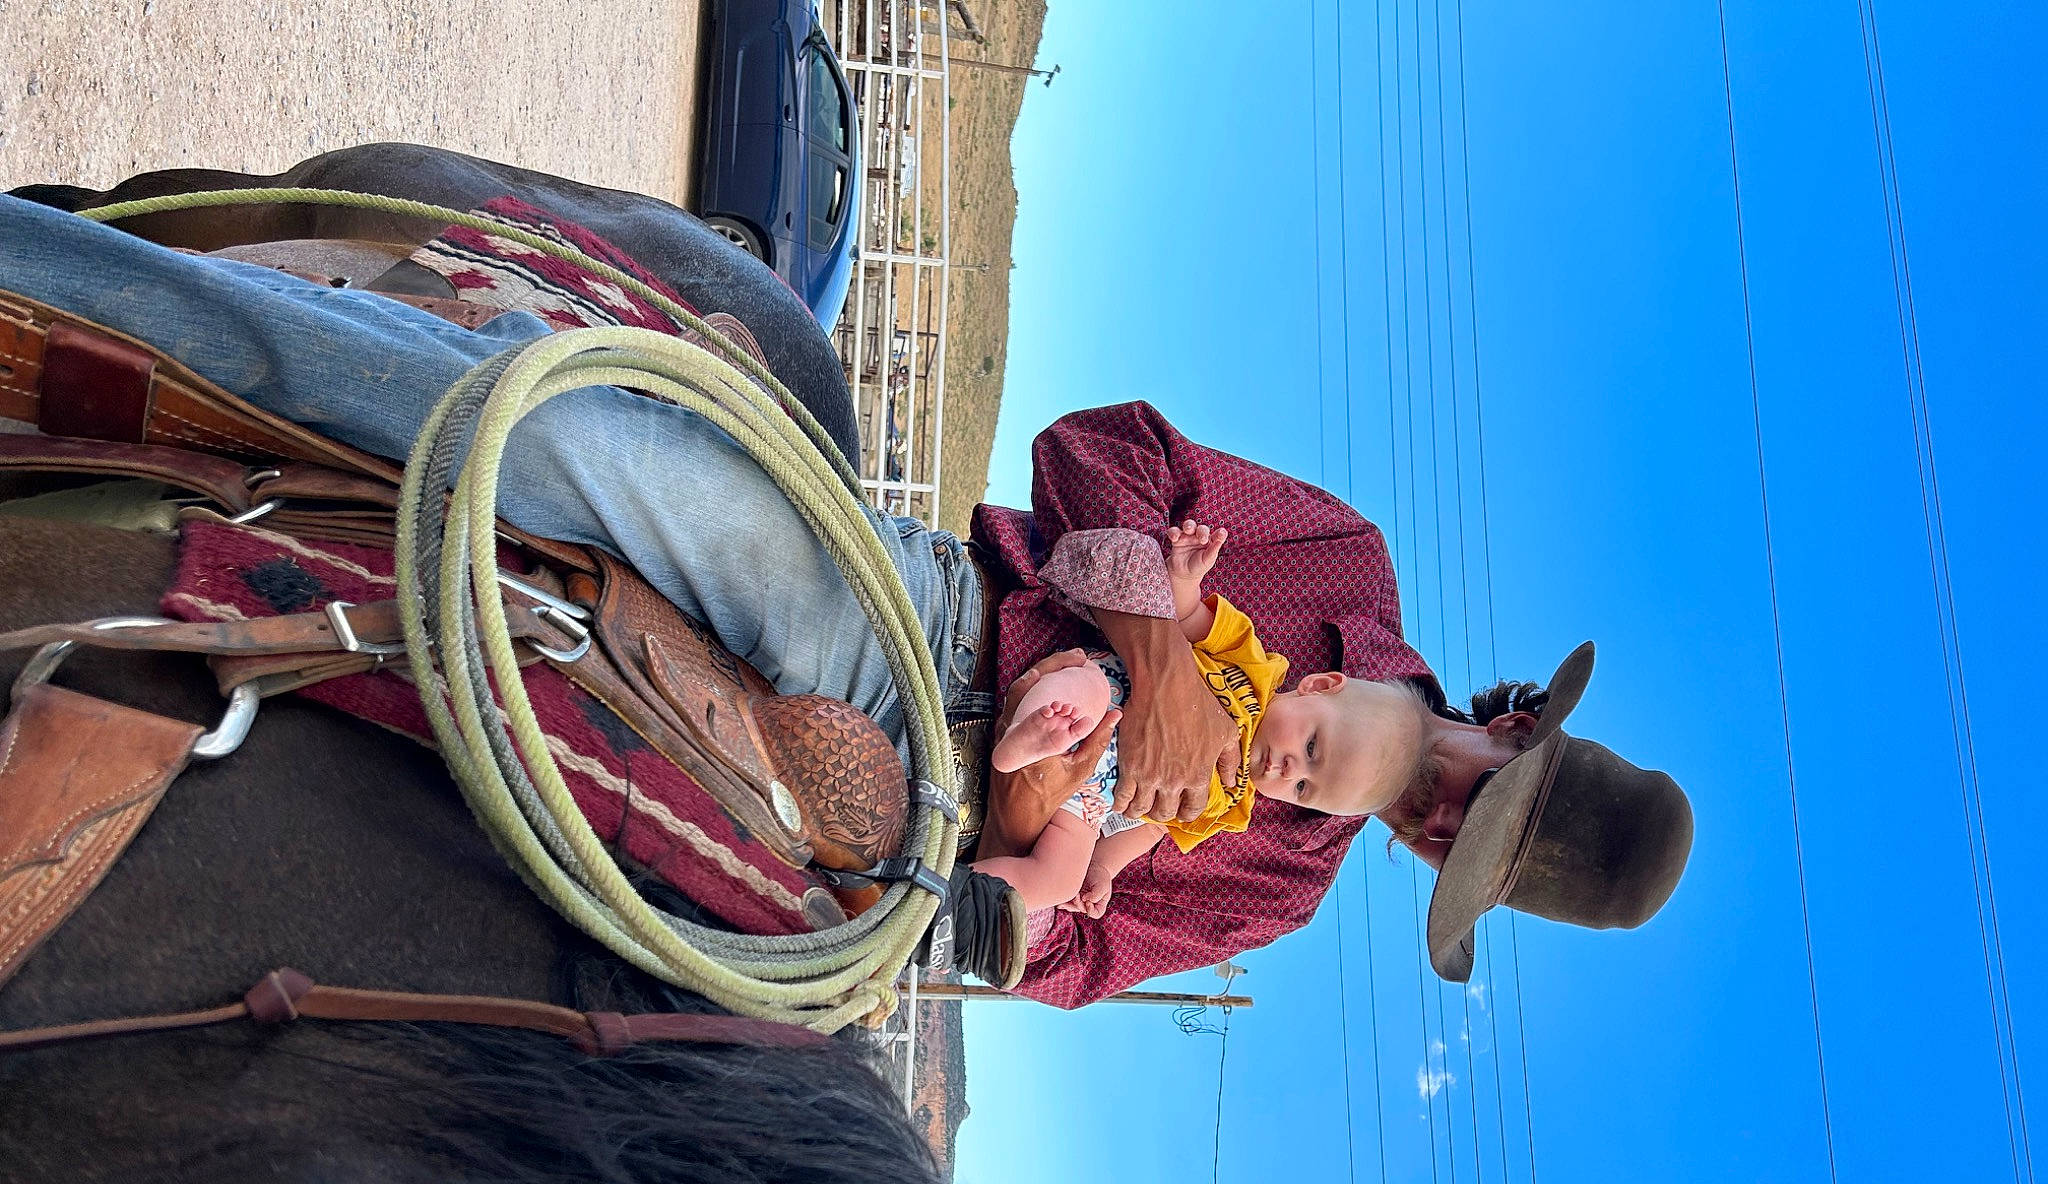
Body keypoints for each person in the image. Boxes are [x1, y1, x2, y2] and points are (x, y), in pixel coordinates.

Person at [0, 194, 1691, 1006]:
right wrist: (1157, 646)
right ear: (1509, 723)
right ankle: (65, 293)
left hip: (898, 836)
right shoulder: (1340, 568)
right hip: (911, 633)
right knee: (542, 440)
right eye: (1476, 804)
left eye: (1446, 856)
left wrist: (1011, 893)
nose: (1421, 824)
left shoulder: (1278, 892)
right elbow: (1100, 451)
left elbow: (1067, 949)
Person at [974, 520, 1436, 920]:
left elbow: (1155, 828)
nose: (1290, 769)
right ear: (1317, 685)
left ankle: (952, 899)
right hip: (1113, 696)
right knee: (1080, 691)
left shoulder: (1233, 805)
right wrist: (1184, 576)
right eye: (1312, 748)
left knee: (1054, 882)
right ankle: (1027, 738)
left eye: (1303, 789)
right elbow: (1188, 618)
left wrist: (1102, 868)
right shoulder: (1254, 669)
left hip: (1088, 804)